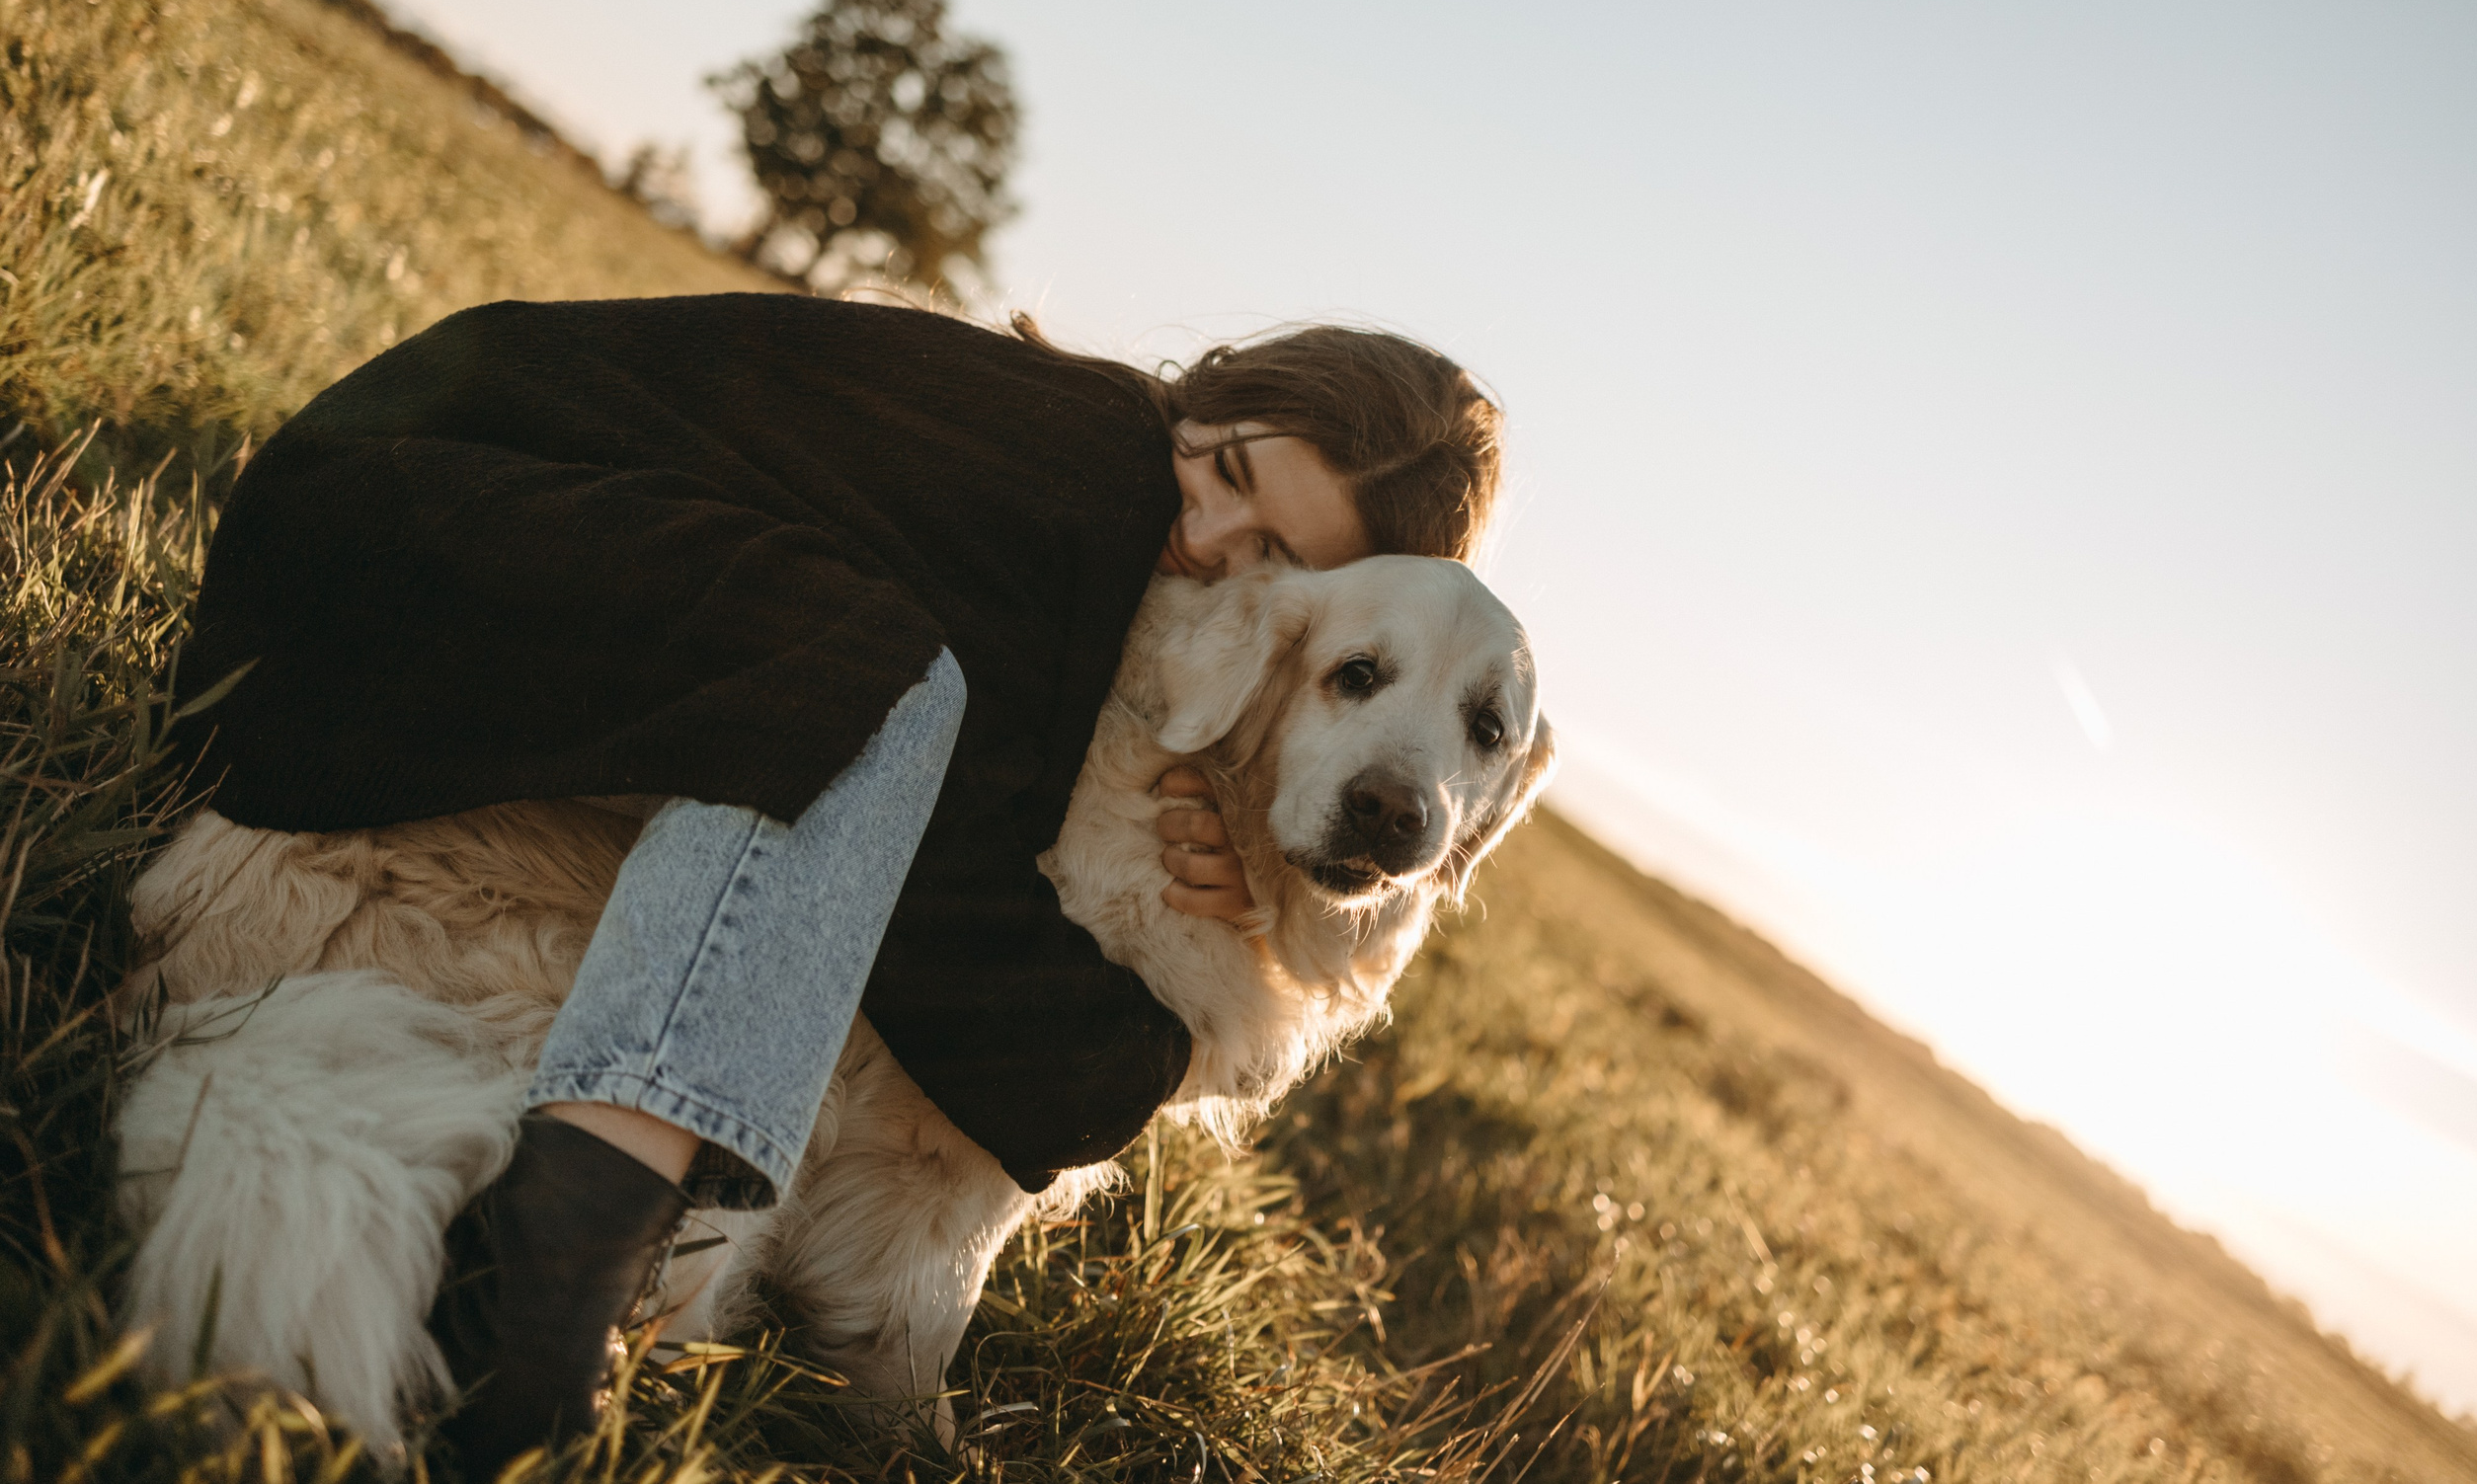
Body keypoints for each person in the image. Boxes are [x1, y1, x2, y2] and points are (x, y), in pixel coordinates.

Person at [169, 293, 1503, 1470]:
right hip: (379, 542)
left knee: (860, 694)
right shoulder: (1082, 468)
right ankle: (548, 1283)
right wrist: (1140, 1057)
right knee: (872, 692)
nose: (1211, 537)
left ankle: (558, 1258)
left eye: (1278, 552)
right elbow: (935, 902)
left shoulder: (1111, 509)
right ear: (1216, 396)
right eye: (1226, 467)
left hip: (397, 583)